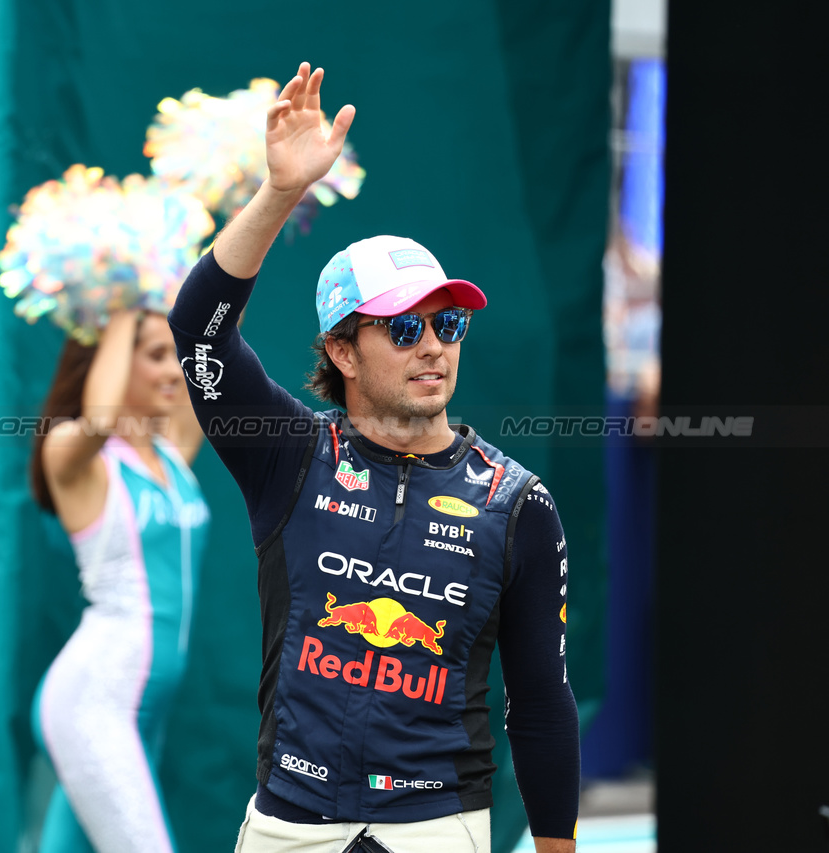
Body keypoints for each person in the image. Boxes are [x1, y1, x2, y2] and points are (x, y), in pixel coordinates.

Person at [166, 64, 579, 853]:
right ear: (342, 352)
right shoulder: (287, 455)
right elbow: (199, 332)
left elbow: (541, 699)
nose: (430, 346)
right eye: (401, 328)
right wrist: (282, 191)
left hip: (438, 826)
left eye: (445, 326)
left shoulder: (518, 502)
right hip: (291, 826)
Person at [30, 309, 210, 853]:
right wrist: (124, 288)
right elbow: (102, 416)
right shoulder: (75, 453)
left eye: (173, 356)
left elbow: (214, 341)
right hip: (95, 701)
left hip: (146, 710)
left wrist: (238, 224)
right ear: (109, 359)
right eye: (155, 355)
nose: (174, 371)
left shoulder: (171, 451)